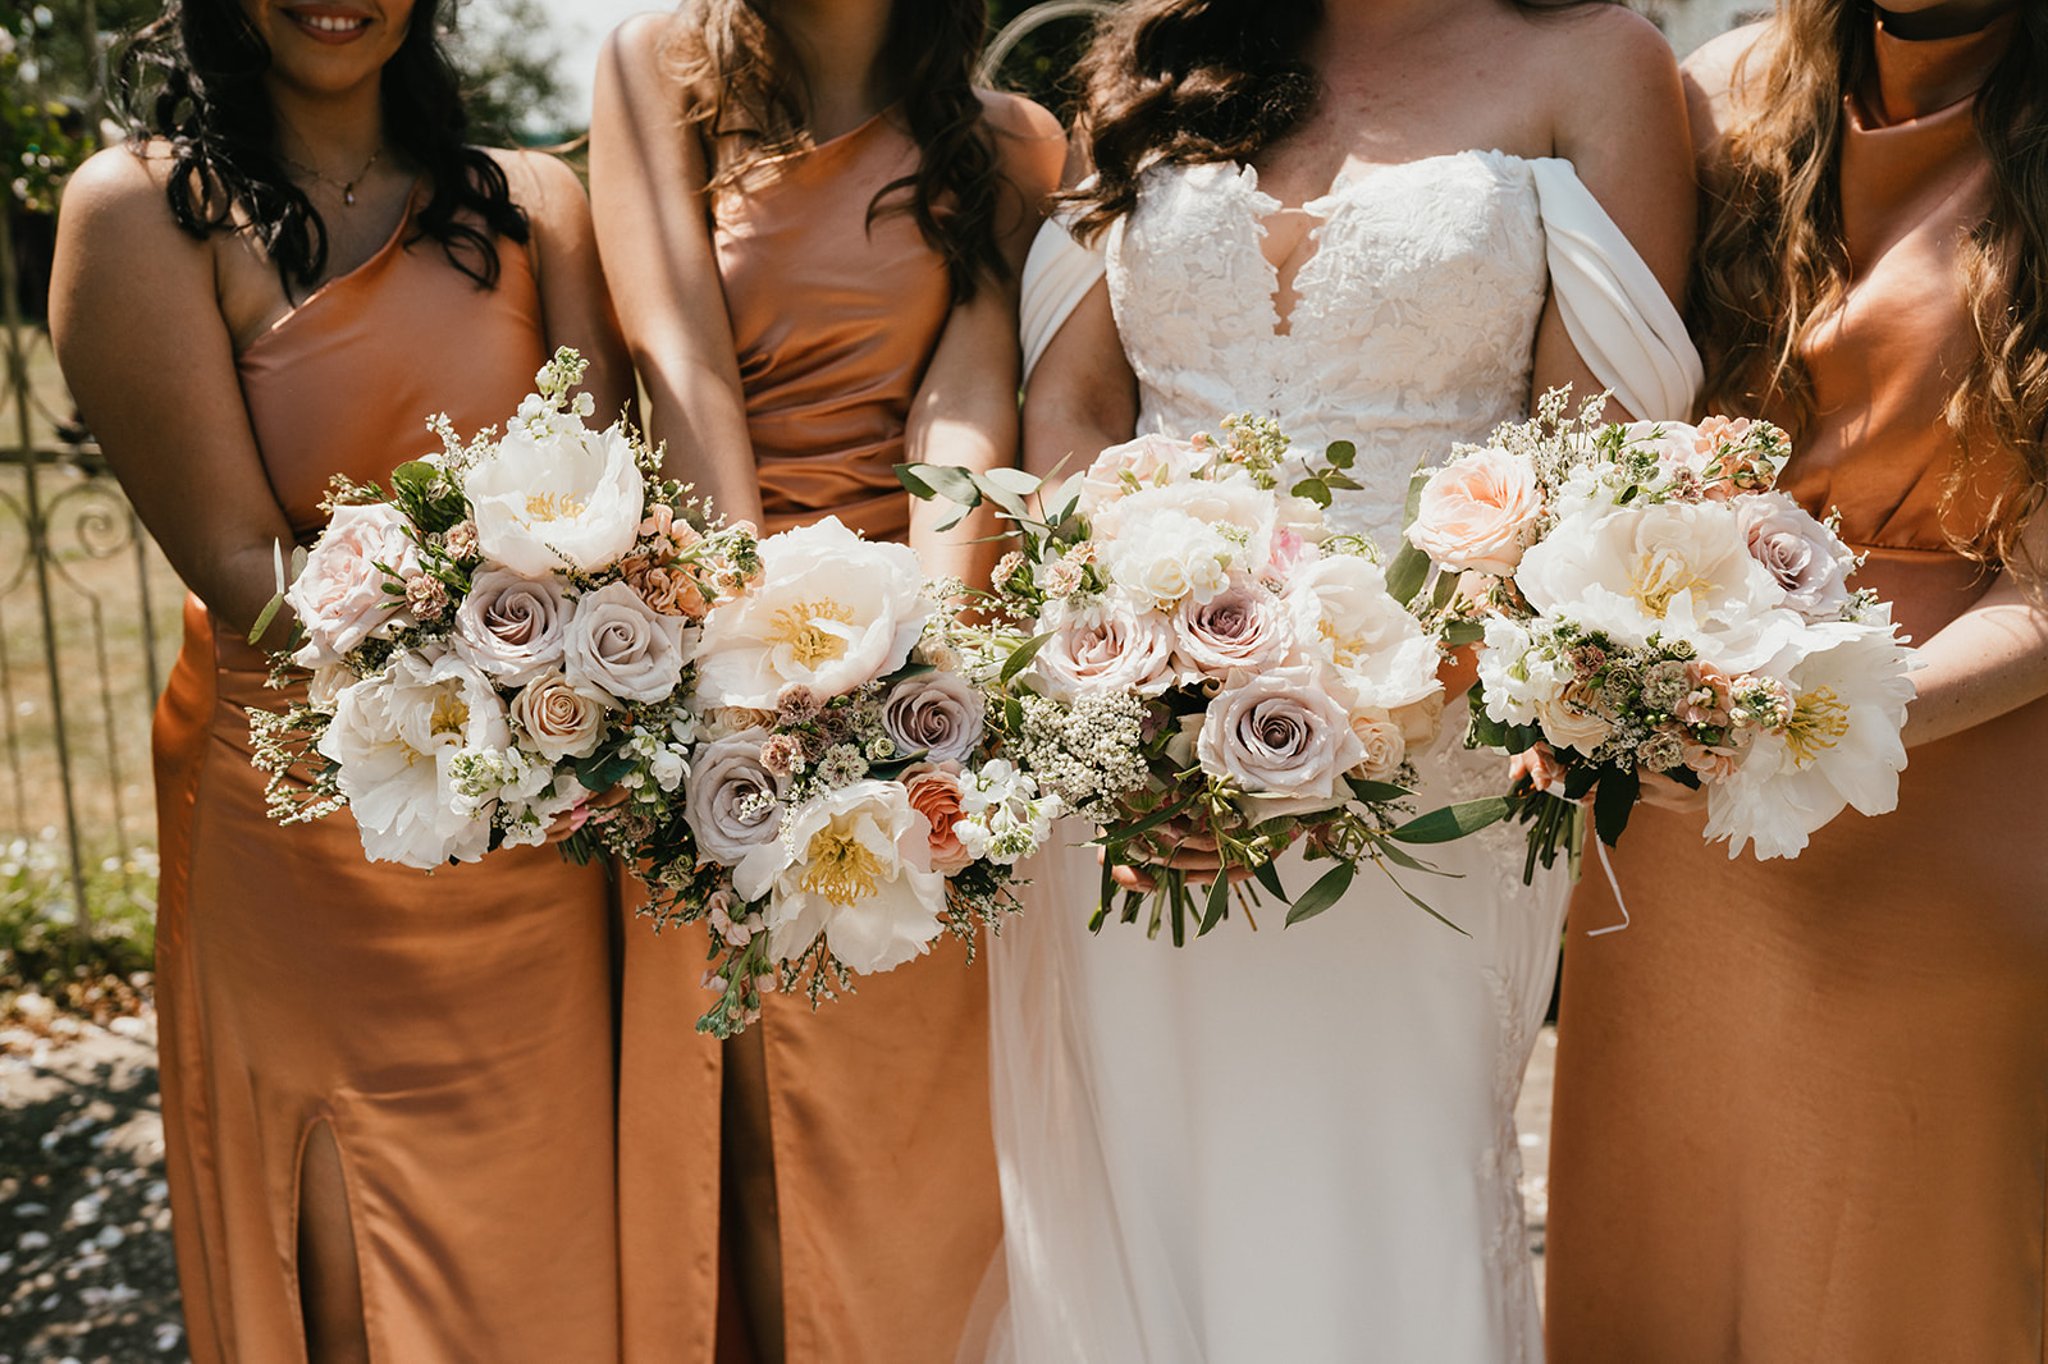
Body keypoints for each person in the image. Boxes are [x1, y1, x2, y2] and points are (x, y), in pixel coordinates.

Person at [985, 0, 1699, 1359]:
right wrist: (1140, 671)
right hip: (1144, 728)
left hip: (1433, 754)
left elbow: (1595, 446)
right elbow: (1072, 402)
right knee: (1155, 1161)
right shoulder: (1149, 58)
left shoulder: (1598, 60)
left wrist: (1381, 692)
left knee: (1388, 1165)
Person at [48, 1, 631, 1359]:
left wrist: (553, 689)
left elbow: (605, 500)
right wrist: (495, 659)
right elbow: (246, 565)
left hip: (532, 827)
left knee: (548, 1236)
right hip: (305, 817)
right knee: (350, 1247)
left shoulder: (539, 200)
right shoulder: (138, 211)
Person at [1544, 2, 2048, 1359]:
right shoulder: (1724, 93)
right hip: (1676, 824)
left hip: (1945, 787)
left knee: (1890, 1252)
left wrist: (1818, 718)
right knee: (1655, 1250)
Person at [586, 2, 1062, 1359]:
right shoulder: (656, 69)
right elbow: (678, 365)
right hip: (716, 653)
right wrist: (759, 662)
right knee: (744, 1120)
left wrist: (927, 672)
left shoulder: (1013, 140)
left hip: (920, 645)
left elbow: (969, 400)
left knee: (913, 1133)